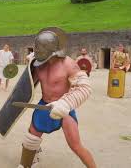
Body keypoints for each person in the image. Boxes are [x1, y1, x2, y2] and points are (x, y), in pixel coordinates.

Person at [17, 27, 96, 168]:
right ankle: (27, 164)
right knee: (30, 140)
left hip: (63, 108)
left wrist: (65, 104)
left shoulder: (68, 64)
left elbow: (84, 87)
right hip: (43, 106)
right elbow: (28, 84)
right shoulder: (38, 64)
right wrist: (29, 66)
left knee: (76, 146)